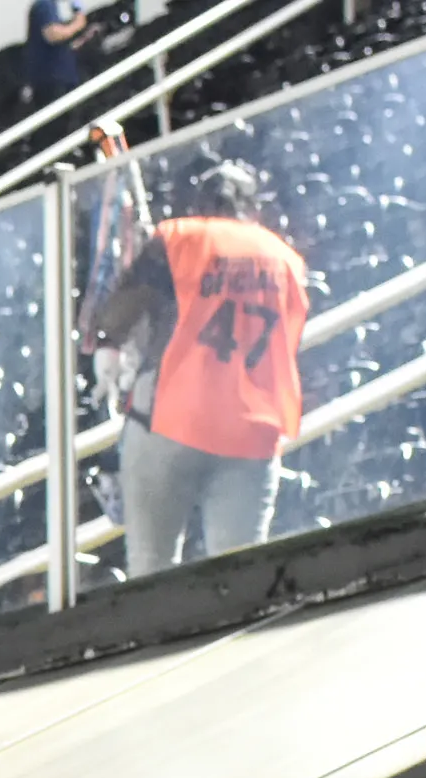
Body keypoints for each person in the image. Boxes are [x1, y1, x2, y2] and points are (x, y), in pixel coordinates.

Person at [84, 159, 308, 574]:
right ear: (253, 209)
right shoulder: (287, 259)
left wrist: (108, 348)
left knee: (152, 567)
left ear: (202, 204)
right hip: (252, 428)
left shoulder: (182, 237)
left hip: (171, 417)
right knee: (240, 570)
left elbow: (119, 313)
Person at [25, 0, 95, 107]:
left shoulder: (50, 7)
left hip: (60, 81)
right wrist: (78, 22)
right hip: (54, 83)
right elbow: (53, 34)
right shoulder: (45, 5)